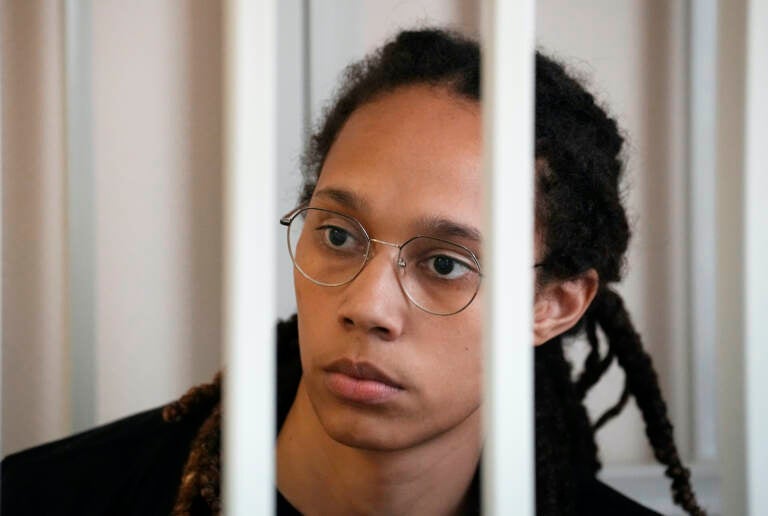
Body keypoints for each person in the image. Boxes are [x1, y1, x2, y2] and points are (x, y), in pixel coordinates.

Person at [1, 29, 704, 516]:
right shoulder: (51, 500)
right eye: (338, 234)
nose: (367, 305)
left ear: (551, 304)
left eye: (444, 264)